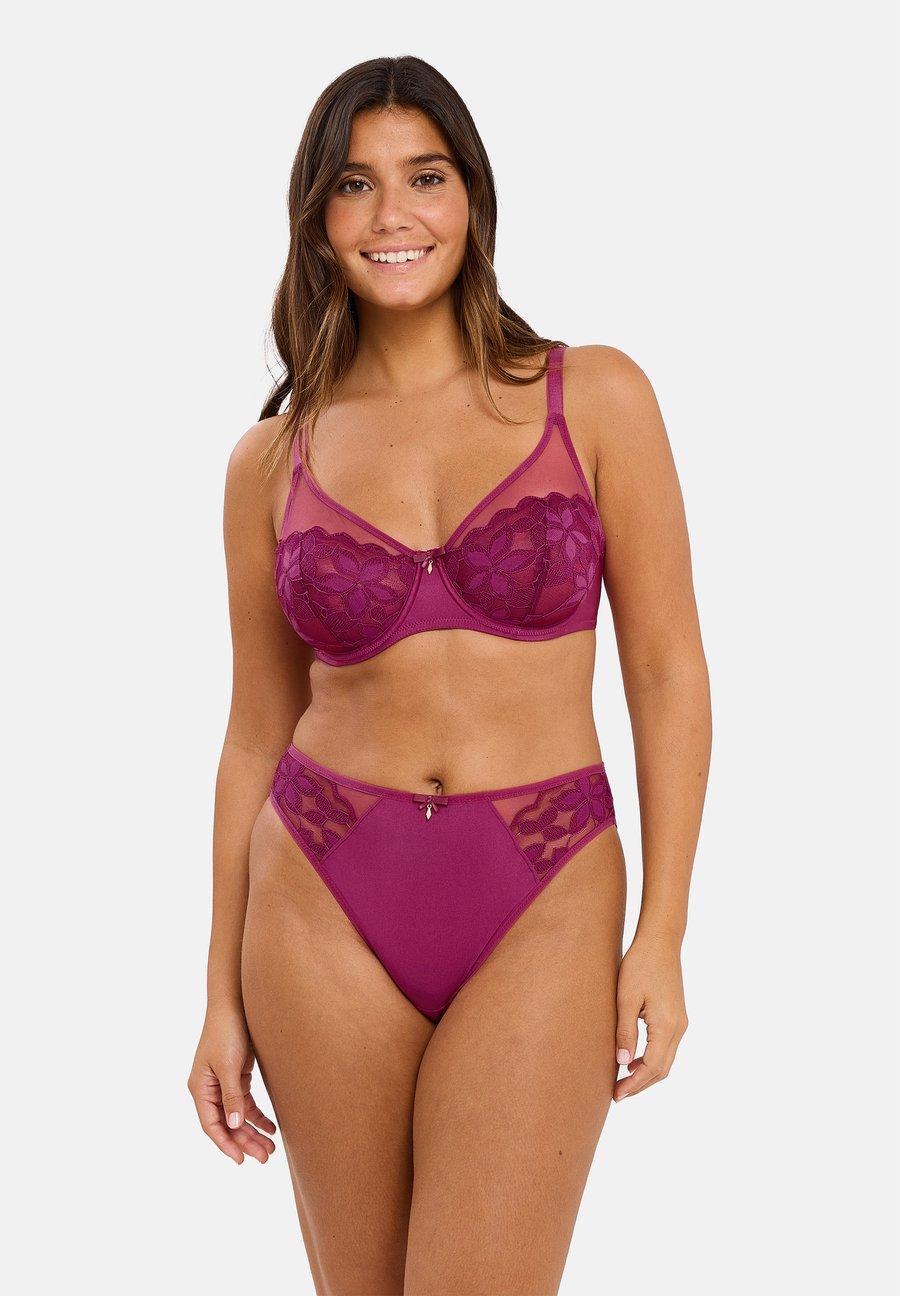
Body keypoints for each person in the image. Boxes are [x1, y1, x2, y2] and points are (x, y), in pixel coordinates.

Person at [188, 54, 712, 1295]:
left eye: (424, 177)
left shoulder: (595, 397)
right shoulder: (270, 460)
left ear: (472, 196)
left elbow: (666, 672)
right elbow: (255, 732)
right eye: (355, 185)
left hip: (545, 885)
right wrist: (217, 994)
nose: (394, 214)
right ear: (319, 219)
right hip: (319, 895)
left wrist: (665, 932)